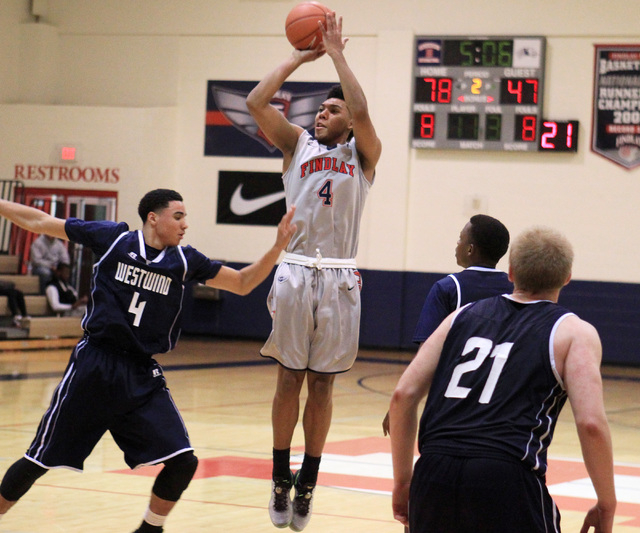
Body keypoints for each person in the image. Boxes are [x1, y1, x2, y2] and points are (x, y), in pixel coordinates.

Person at [0, 189, 296, 533]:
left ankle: (149, 529)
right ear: (153, 218)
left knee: (184, 462)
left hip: (141, 372)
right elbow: (39, 220)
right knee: (38, 459)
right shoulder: (114, 238)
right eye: (178, 216)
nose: (185, 224)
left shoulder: (185, 261)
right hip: (95, 364)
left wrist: (277, 247)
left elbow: (243, 283)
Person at [246, 10, 382, 531]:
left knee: (323, 387)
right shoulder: (296, 144)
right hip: (296, 270)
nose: (322, 114)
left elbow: (364, 109)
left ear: (348, 120)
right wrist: (299, 57)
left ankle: (310, 480)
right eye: (320, 108)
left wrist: (339, 54)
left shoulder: (363, 155)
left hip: (341, 277)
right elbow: (257, 103)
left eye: (332, 109)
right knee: (288, 378)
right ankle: (280, 476)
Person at [389, 227, 616, 533]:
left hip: (434, 470)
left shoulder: (461, 316)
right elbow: (591, 424)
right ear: (566, 278)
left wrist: (404, 481)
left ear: (510, 273)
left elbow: (402, 395)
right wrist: (606, 502)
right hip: (505, 476)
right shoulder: (574, 332)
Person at [382, 214, 512, 436]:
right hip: (501, 406)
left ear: (470, 249)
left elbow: (426, 357)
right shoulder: (516, 290)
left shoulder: (448, 288)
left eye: (460, 239)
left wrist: (401, 401)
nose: (457, 245)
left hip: (453, 406)